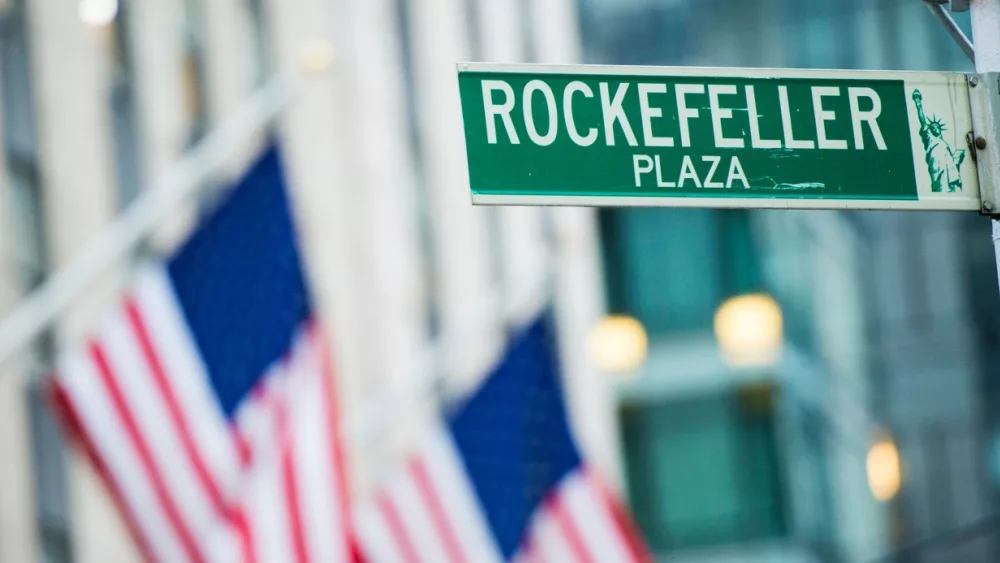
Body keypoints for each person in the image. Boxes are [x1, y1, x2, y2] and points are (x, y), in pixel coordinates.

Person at [912, 89, 965, 193]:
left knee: (952, 187)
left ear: (940, 129)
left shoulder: (944, 144)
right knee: (940, 186)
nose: (935, 129)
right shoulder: (930, 138)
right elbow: (923, 122)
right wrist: (918, 103)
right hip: (936, 163)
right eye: (932, 127)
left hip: (949, 167)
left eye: (936, 127)